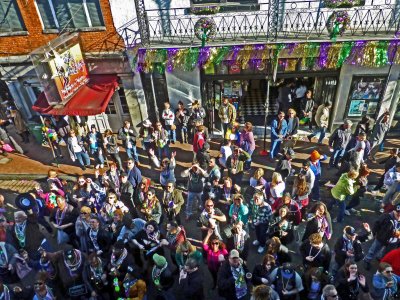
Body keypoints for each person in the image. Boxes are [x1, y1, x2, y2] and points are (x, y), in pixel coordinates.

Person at [363, 203, 400, 270]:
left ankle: (380, 257)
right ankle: (367, 260)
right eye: (398, 213)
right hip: (381, 238)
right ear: (394, 210)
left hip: (393, 241)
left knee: (386, 251)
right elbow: (377, 225)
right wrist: (373, 234)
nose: (399, 216)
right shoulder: (386, 217)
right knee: (374, 249)